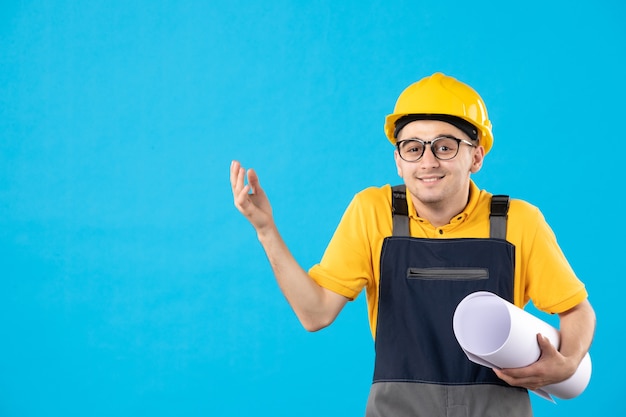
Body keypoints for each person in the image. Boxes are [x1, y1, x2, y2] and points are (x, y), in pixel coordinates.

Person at [230, 72, 595, 416]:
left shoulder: (518, 221)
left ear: (477, 156)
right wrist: (266, 230)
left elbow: (577, 310)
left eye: (445, 146)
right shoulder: (373, 212)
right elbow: (315, 314)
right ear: (398, 161)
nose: (428, 161)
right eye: (413, 148)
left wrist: (570, 360)